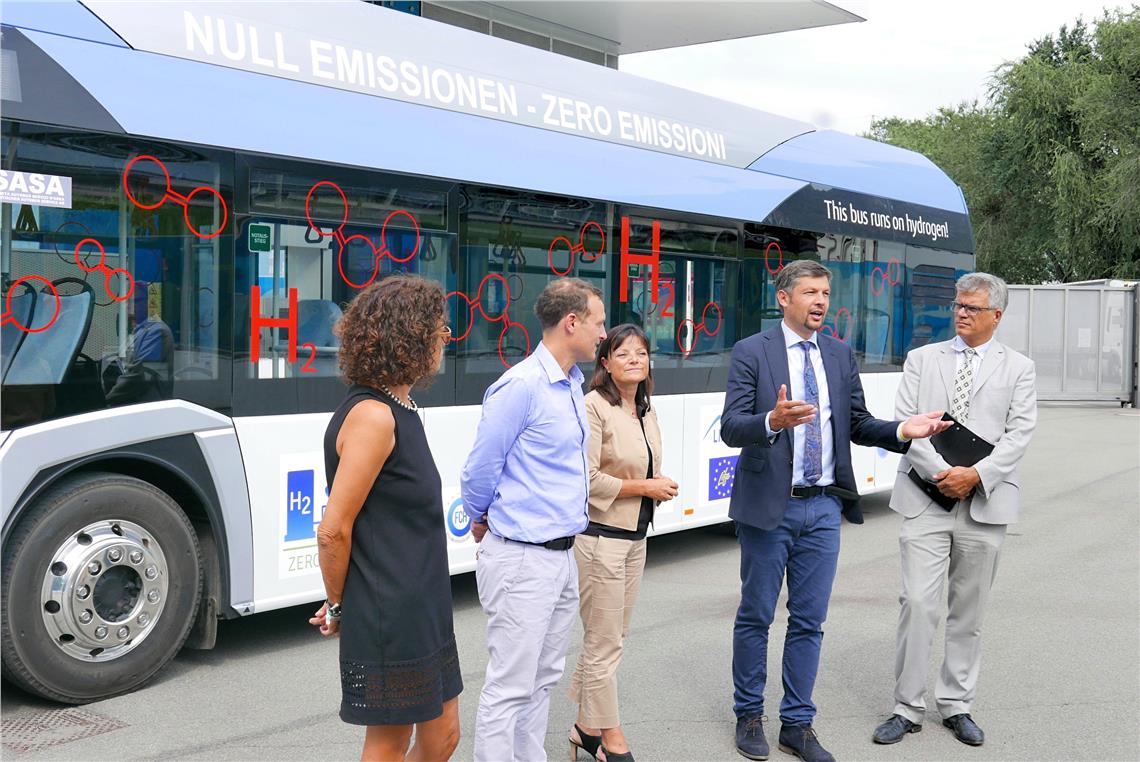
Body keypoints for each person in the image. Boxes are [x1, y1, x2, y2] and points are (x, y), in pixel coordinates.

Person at [721, 259, 951, 762]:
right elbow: (731, 427)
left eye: (825, 293)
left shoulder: (840, 354)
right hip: (769, 507)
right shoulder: (752, 352)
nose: (821, 301)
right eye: (810, 292)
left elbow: (858, 423)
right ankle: (749, 715)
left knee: (809, 621)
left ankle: (797, 724)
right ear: (784, 298)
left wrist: (902, 430)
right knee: (756, 615)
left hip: (823, 508)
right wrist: (772, 420)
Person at [872, 273, 1036, 748]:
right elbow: (905, 423)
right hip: (926, 497)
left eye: (972, 308)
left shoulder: (1019, 368)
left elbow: (1019, 434)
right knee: (918, 603)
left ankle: (956, 704)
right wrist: (943, 473)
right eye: (958, 305)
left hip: (985, 502)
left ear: (996, 315)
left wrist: (976, 476)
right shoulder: (923, 359)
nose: (961, 313)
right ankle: (906, 708)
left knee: (969, 610)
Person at [310, 275, 462, 762]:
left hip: (423, 605)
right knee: (390, 745)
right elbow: (333, 530)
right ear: (409, 336)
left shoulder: (400, 407)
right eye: (438, 328)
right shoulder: (373, 416)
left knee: (443, 737)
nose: (446, 337)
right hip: (389, 611)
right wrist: (339, 605)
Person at [461, 278, 608, 762]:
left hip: (561, 556)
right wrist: (482, 516)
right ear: (572, 323)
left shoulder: (570, 384)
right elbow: (480, 469)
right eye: (598, 323)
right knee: (510, 686)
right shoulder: (521, 387)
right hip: (523, 559)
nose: (603, 334)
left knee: (543, 680)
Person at [567, 324, 679, 762]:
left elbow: (640, 467)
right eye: (623, 353)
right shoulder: (593, 406)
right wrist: (645, 487)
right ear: (606, 363)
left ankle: (584, 728)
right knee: (604, 642)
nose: (635, 359)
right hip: (601, 541)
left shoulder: (645, 408)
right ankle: (611, 739)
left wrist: (654, 485)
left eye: (641, 352)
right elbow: (587, 478)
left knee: (612, 637)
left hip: (635, 538)